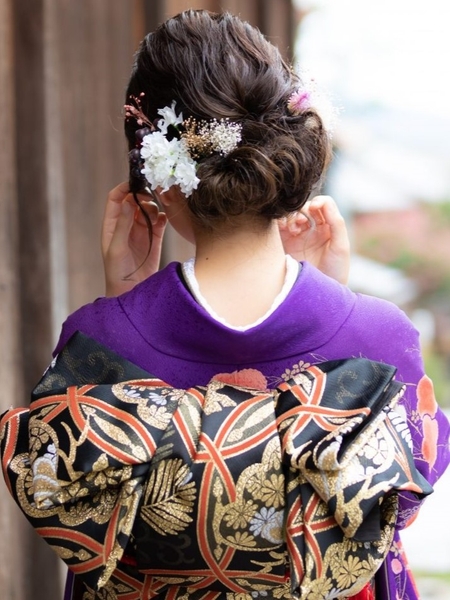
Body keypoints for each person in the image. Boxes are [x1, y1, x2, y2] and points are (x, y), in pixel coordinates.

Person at [1, 9, 448, 600]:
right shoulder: (379, 334)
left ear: (159, 176)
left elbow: (79, 514)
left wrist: (121, 309)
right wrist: (337, 308)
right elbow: (398, 505)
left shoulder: (99, 336)